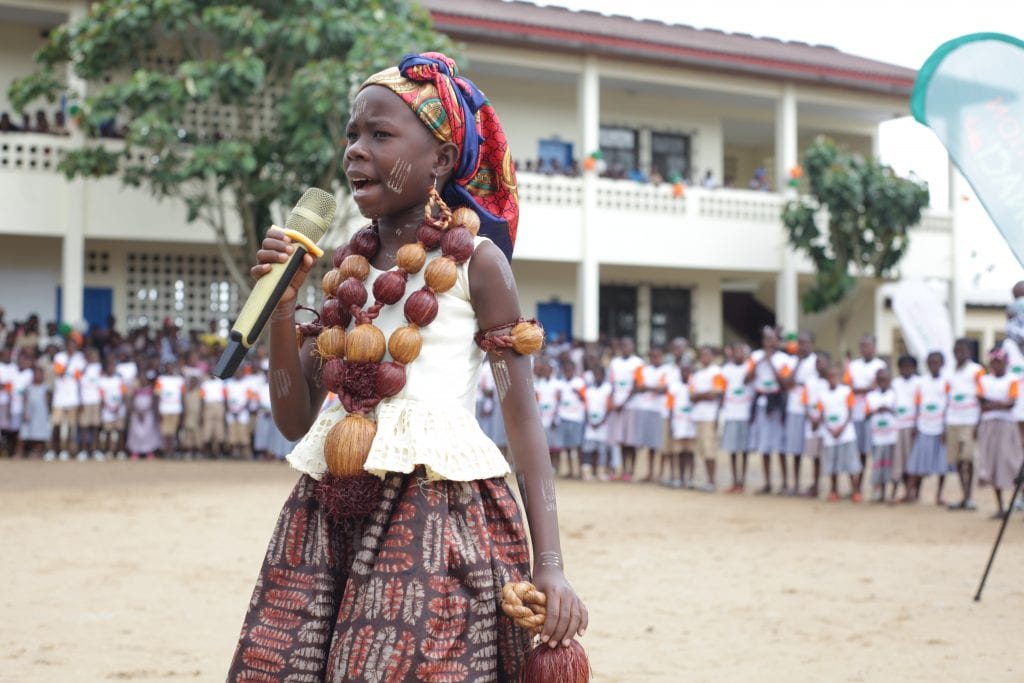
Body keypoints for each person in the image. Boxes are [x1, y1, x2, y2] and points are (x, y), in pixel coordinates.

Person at [228, 52, 586, 680]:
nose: (355, 151)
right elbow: (293, 421)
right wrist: (282, 311)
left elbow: (523, 422)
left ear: (441, 160)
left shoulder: (478, 264)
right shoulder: (344, 271)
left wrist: (550, 564)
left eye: (380, 135)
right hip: (326, 512)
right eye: (352, 135)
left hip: (435, 514)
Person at [746, 327, 794, 494]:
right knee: (764, 446)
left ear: (777, 341)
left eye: (773, 339)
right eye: (767, 339)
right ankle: (767, 483)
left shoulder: (784, 359)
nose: (770, 342)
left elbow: (785, 384)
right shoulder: (755, 357)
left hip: (777, 402)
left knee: (779, 445)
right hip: (761, 402)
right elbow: (747, 378)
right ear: (763, 341)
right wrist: (761, 361)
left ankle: (786, 483)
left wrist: (771, 363)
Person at [976, 348, 1023, 518]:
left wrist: (992, 404)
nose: (996, 364)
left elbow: (1010, 403)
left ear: (1006, 362)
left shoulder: (1012, 380)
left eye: (1000, 361)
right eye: (994, 361)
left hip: (1007, 427)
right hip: (988, 427)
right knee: (993, 465)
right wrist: (1000, 404)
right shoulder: (984, 380)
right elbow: (982, 403)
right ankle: (1001, 507)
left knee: (1014, 463)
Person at [945, 338, 984, 511]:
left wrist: (979, 422)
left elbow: (982, 397)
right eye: (956, 350)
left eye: (963, 350)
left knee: (968, 458)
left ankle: (970, 497)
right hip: (953, 420)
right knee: (958, 460)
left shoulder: (977, 371)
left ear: (969, 352)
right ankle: (964, 494)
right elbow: (946, 399)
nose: (959, 354)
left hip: (970, 420)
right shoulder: (950, 372)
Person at [906, 351, 949, 504]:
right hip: (923, 426)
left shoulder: (947, 382)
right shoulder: (921, 383)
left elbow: (949, 405)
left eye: (936, 362)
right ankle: (912, 493)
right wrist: (915, 425)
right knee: (917, 462)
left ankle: (939, 495)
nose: (933, 365)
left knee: (941, 463)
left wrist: (945, 428)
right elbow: (917, 404)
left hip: (940, 428)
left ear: (942, 364)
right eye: (930, 362)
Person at [844, 334, 887, 480]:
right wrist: (868, 388)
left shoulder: (880, 365)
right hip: (855, 413)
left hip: (872, 414)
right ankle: (856, 486)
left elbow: (879, 386)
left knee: (870, 451)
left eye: (868, 345)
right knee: (855, 451)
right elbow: (848, 387)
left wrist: (858, 389)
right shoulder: (853, 366)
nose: (865, 349)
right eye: (862, 346)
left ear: (874, 347)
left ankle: (873, 483)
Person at [818, 363, 863, 502]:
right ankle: (834, 491)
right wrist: (830, 429)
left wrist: (841, 429)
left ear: (839, 377)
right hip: (829, 435)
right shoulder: (822, 395)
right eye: (829, 377)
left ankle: (855, 491)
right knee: (831, 465)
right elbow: (821, 414)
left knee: (851, 464)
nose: (832, 379)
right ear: (826, 378)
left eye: (835, 376)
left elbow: (850, 412)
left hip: (846, 435)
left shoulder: (846, 391)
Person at [626, 346, 671, 483]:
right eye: (652, 356)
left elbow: (664, 389)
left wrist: (648, 387)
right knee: (648, 444)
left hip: (660, 411)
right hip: (645, 408)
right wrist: (653, 388)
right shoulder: (643, 369)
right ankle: (649, 473)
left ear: (662, 356)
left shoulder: (668, 370)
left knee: (660, 444)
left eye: (657, 356)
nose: (655, 359)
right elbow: (637, 387)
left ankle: (660, 474)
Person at [781, 332, 817, 495]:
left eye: (806, 343)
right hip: (795, 408)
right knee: (795, 450)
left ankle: (814, 484)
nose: (802, 346)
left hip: (812, 409)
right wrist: (798, 363)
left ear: (812, 343)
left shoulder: (817, 361)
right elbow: (786, 382)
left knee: (814, 450)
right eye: (800, 343)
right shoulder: (791, 361)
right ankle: (794, 484)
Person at [607, 337, 644, 481]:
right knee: (621, 440)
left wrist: (624, 402)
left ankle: (632, 470)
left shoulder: (638, 363)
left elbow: (637, 385)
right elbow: (612, 384)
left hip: (632, 405)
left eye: (628, 345)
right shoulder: (614, 363)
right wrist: (613, 403)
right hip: (617, 406)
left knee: (631, 441)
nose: (625, 348)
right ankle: (623, 470)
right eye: (623, 345)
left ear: (633, 347)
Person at [690, 345, 726, 490]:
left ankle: (711, 481)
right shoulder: (697, 374)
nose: (704, 357)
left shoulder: (716, 372)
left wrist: (700, 395)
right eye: (702, 355)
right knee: (700, 449)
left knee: (709, 449)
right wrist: (704, 395)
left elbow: (716, 394)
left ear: (713, 356)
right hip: (697, 416)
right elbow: (692, 396)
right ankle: (702, 479)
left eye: (707, 355)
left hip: (710, 416)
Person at [720, 343, 753, 493]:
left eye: (742, 351)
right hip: (731, 413)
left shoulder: (750, 368)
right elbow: (721, 391)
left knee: (744, 449)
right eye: (736, 350)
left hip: (745, 413)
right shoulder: (726, 370)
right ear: (731, 352)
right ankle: (734, 481)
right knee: (732, 449)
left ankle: (743, 482)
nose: (739, 353)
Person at [47, 337, 85, 461]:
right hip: (59, 397)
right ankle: (53, 450)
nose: (71, 348)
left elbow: (79, 377)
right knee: (56, 425)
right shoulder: (59, 357)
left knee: (71, 426)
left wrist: (81, 399)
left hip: (73, 397)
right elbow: (60, 373)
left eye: (73, 346)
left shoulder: (80, 358)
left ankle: (66, 450)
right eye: (69, 345)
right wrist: (69, 360)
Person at [865, 367, 898, 503]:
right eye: (880, 379)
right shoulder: (871, 396)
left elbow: (900, 413)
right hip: (877, 437)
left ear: (889, 380)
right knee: (878, 465)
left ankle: (890, 494)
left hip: (892, 437)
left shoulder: (894, 395)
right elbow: (865, 415)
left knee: (891, 465)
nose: (883, 382)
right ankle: (879, 492)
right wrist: (875, 411)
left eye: (885, 379)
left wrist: (888, 409)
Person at [891, 355, 921, 503]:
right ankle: (906, 491)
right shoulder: (895, 383)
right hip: (898, 427)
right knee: (900, 461)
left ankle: (913, 492)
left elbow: (920, 405)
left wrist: (917, 425)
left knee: (913, 461)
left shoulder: (919, 383)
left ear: (915, 368)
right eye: (903, 367)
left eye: (909, 367)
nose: (906, 370)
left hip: (913, 427)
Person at [553, 356, 586, 480]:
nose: (567, 372)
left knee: (577, 445)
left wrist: (578, 393)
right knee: (566, 446)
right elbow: (557, 400)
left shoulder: (579, 382)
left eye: (570, 370)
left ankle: (580, 471)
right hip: (564, 417)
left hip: (576, 418)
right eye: (565, 370)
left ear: (574, 370)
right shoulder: (560, 384)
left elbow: (584, 399)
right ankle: (571, 470)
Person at [667, 364, 696, 488]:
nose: (685, 374)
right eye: (682, 371)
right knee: (677, 452)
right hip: (678, 424)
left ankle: (690, 478)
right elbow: (670, 407)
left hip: (691, 425)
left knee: (690, 453)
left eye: (687, 371)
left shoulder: (694, 386)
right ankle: (678, 477)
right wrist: (670, 424)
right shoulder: (674, 387)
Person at [582, 364, 613, 481]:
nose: (598, 377)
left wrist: (601, 421)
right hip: (591, 424)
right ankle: (587, 472)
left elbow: (609, 407)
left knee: (603, 450)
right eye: (596, 375)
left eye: (600, 375)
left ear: (604, 376)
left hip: (603, 424)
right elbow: (585, 407)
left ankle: (601, 472)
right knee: (588, 449)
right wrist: (589, 421)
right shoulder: (589, 390)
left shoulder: (608, 388)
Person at [125, 368, 161, 459]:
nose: (142, 379)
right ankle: (135, 451)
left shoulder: (151, 389)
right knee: (136, 432)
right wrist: (137, 411)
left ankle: (149, 451)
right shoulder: (135, 389)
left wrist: (145, 411)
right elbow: (131, 401)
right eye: (140, 377)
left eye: (144, 377)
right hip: (136, 414)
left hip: (148, 414)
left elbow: (154, 401)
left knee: (148, 432)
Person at [77, 347, 104, 460]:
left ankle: (95, 450)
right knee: (84, 427)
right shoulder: (80, 368)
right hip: (85, 400)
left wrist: (102, 400)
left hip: (96, 400)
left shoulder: (99, 368)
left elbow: (102, 385)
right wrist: (80, 400)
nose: (90, 357)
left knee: (95, 427)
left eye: (91, 355)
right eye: (88, 355)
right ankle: (83, 450)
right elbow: (77, 384)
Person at [97, 359, 127, 459]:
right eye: (109, 367)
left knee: (120, 431)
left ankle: (120, 451)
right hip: (107, 410)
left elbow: (123, 393)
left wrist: (118, 406)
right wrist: (108, 407)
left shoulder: (119, 380)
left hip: (119, 409)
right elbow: (101, 396)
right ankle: (109, 451)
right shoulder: (102, 380)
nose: (111, 369)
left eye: (113, 367)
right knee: (108, 431)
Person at [19, 367, 51, 458]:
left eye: (39, 374)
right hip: (30, 414)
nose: (37, 376)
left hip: (41, 415)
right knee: (26, 433)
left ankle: (39, 452)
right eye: (35, 373)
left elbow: (48, 402)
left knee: (40, 434)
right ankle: (22, 452)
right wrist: (24, 413)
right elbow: (24, 401)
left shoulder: (45, 387)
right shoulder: (29, 387)